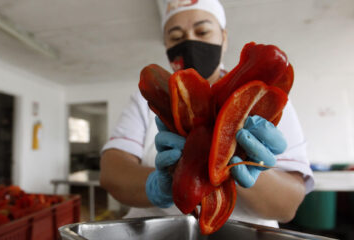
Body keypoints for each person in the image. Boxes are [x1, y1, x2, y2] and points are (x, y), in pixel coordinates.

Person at [100, 0, 314, 228]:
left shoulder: (265, 98)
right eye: (175, 37)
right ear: (165, 45)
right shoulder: (146, 98)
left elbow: (287, 206)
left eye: (202, 31)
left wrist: (243, 166)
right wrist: (161, 184)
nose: (189, 42)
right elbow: (112, 173)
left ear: (224, 37)